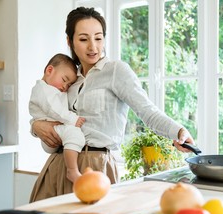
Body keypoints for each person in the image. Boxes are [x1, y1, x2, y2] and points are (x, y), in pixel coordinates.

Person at [29, 7, 195, 202]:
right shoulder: (69, 77)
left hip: (95, 167)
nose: (93, 46)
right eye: (83, 39)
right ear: (69, 41)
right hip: (57, 164)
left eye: (98, 38)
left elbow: (146, 110)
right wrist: (35, 126)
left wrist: (178, 131)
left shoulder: (116, 71)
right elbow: (44, 107)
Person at [29, 53, 86, 183]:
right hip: (50, 133)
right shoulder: (43, 89)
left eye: (69, 84)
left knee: (73, 134)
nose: (65, 87)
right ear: (49, 70)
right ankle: (72, 170)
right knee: (75, 133)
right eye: (64, 80)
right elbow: (53, 109)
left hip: (53, 133)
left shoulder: (53, 89)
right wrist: (73, 119)